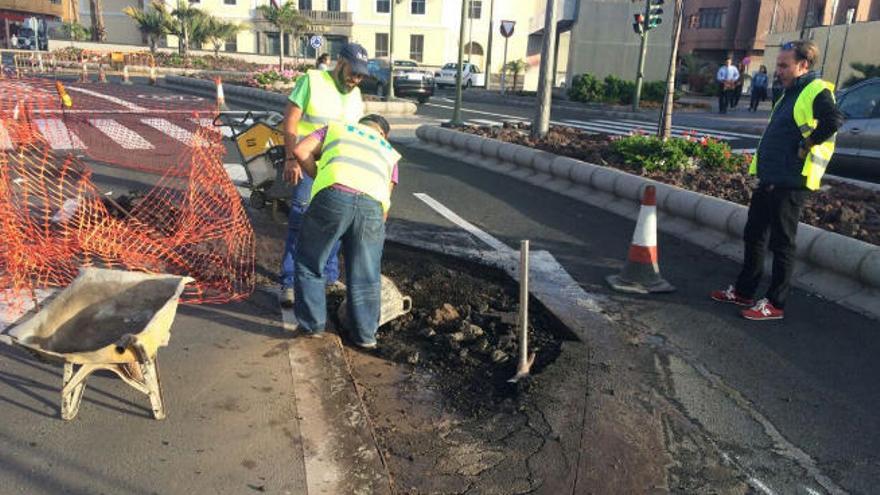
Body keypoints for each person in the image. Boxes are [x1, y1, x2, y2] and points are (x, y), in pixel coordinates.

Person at [710, 40, 844, 321]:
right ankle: (745, 291)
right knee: (754, 234)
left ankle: (775, 303)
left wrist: (807, 144)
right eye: (778, 65)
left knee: (782, 243)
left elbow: (833, 121)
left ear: (803, 65)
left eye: (784, 65)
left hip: (792, 179)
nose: (778, 70)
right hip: (771, 176)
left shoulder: (815, 90)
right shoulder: (789, 93)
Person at [292, 115, 401, 348]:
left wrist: (320, 177)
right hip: (371, 208)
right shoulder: (389, 151)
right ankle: (365, 336)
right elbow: (386, 201)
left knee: (311, 261)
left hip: (333, 197)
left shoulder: (337, 128)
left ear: (359, 124)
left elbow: (301, 150)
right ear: (384, 134)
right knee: (366, 271)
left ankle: (313, 326)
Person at [279, 42, 369, 308]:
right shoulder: (313, 80)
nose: (356, 79)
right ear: (340, 63)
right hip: (306, 163)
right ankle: (288, 281)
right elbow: (292, 120)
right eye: (353, 72)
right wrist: (290, 157)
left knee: (336, 225)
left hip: (338, 170)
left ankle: (329, 277)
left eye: (361, 75)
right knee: (300, 221)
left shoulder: (356, 94)